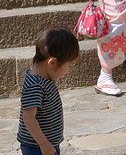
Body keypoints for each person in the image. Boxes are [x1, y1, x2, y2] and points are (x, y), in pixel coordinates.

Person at [17, 27, 80, 155]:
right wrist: (43, 144)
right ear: (52, 62)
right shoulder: (35, 85)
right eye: (69, 65)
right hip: (37, 147)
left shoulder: (44, 78)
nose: (68, 70)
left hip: (46, 143)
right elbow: (28, 117)